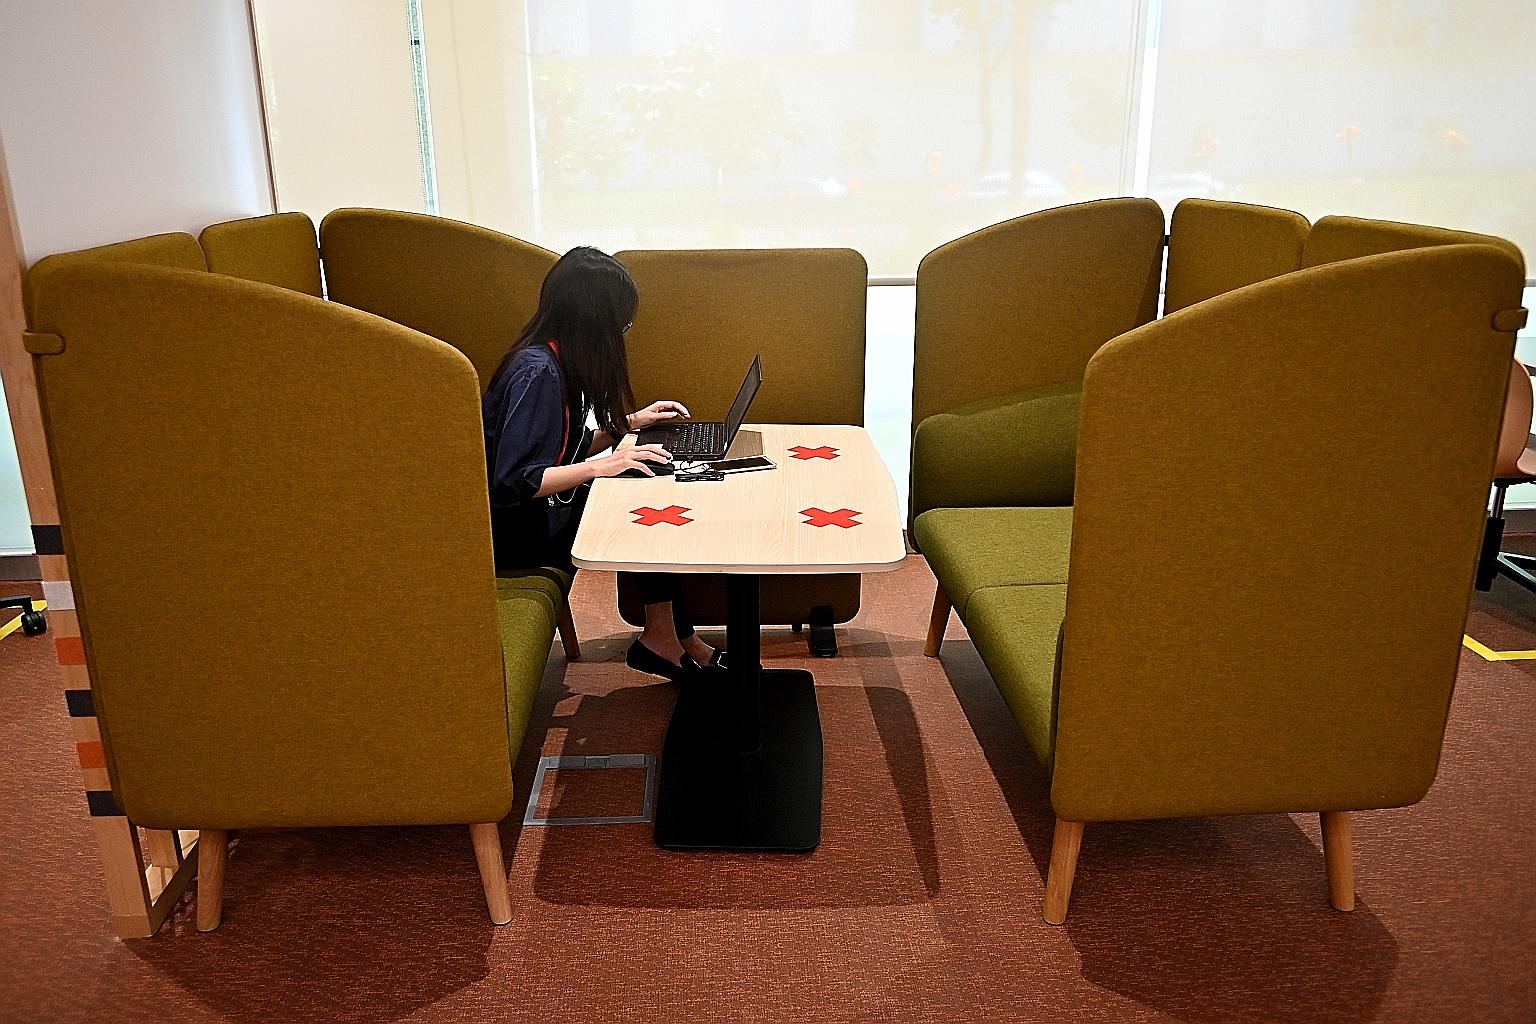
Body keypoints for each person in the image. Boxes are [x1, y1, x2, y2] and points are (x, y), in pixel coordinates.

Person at [483, 246, 721, 681]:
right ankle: (664, 640)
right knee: (634, 511)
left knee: (643, 494)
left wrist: (626, 426)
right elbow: (514, 482)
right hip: (513, 536)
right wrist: (603, 467)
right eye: (620, 325)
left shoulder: (553, 362)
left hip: (531, 517)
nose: (621, 336)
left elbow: (561, 451)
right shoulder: (538, 374)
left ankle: (676, 638)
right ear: (595, 323)